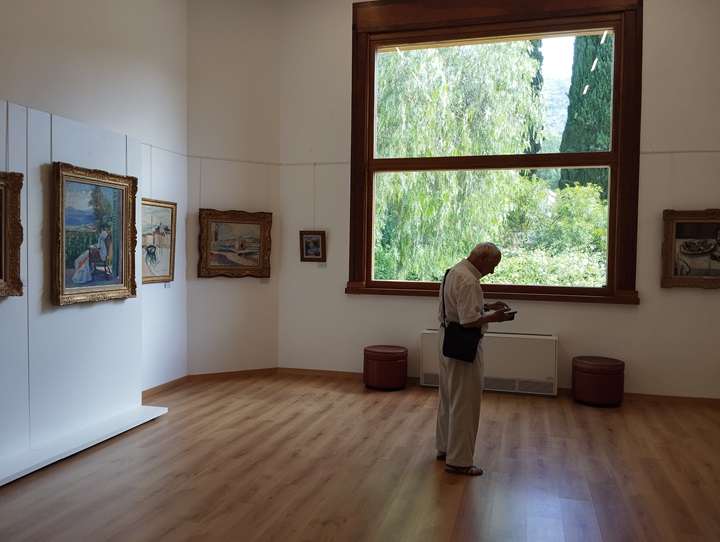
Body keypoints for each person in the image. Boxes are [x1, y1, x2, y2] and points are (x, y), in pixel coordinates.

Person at [435, 242, 513, 476]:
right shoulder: (470, 281)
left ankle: (444, 449)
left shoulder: (454, 271)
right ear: (481, 258)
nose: (493, 271)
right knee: (465, 403)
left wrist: (486, 306)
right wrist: (494, 318)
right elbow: (469, 321)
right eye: (493, 265)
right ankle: (459, 461)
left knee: (448, 397)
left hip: (446, 339)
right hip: (463, 345)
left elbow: (456, 307)